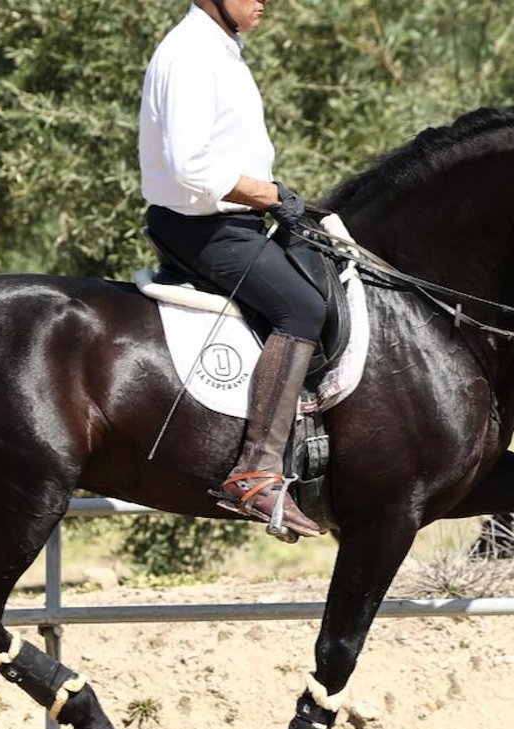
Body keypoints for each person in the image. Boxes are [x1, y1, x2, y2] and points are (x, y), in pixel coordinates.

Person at [139, 0, 325, 540]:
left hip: (235, 221)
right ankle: (255, 472)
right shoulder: (191, 53)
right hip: (204, 229)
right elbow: (191, 166)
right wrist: (270, 194)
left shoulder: (222, 48)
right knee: (301, 308)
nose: (265, 2)